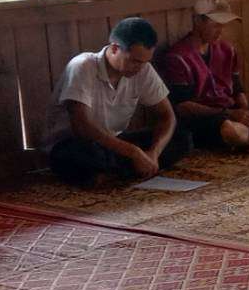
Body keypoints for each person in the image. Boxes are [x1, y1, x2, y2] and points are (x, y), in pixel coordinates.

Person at [44, 17, 182, 187]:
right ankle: (122, 170)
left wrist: (154, 152)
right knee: (84, 155)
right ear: (115, 49)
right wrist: (133, 152)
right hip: (76, 143)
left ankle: (111, 174)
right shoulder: (83, 66)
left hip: (114, 144)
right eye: (135, 61)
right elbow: (82, 127)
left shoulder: (143, 69)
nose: (140, 67)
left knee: (181, 137)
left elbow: (167, 116)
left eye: (145, 62)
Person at [156, 0, 249, 151]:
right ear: (198, 21)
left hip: (233, 111)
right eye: (216, 25)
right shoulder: (177, 57)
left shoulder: (227, 49)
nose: (220, 31)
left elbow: (237, 88)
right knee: (227, 128)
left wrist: (245, 112)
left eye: (223, 25)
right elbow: (183, 107)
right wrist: (229, 113)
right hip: (208, 118)